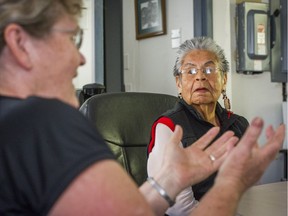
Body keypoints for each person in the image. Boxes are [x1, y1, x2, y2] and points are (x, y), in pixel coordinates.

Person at [0, 1, 285, 215]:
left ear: (224, 79)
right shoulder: (41, 122)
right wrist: (232, 182)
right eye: (72, 38)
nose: (81, 59)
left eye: (210, 70)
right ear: (19, 43)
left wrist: (168, 181)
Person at [147, 37, 249, 215]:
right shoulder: (168, 127)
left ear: (224, 79)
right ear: (178, 83)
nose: (200, 76)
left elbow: (248, 188)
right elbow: (178, 208)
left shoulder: (239, 124)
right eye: (191, 71)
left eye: (209, 69)